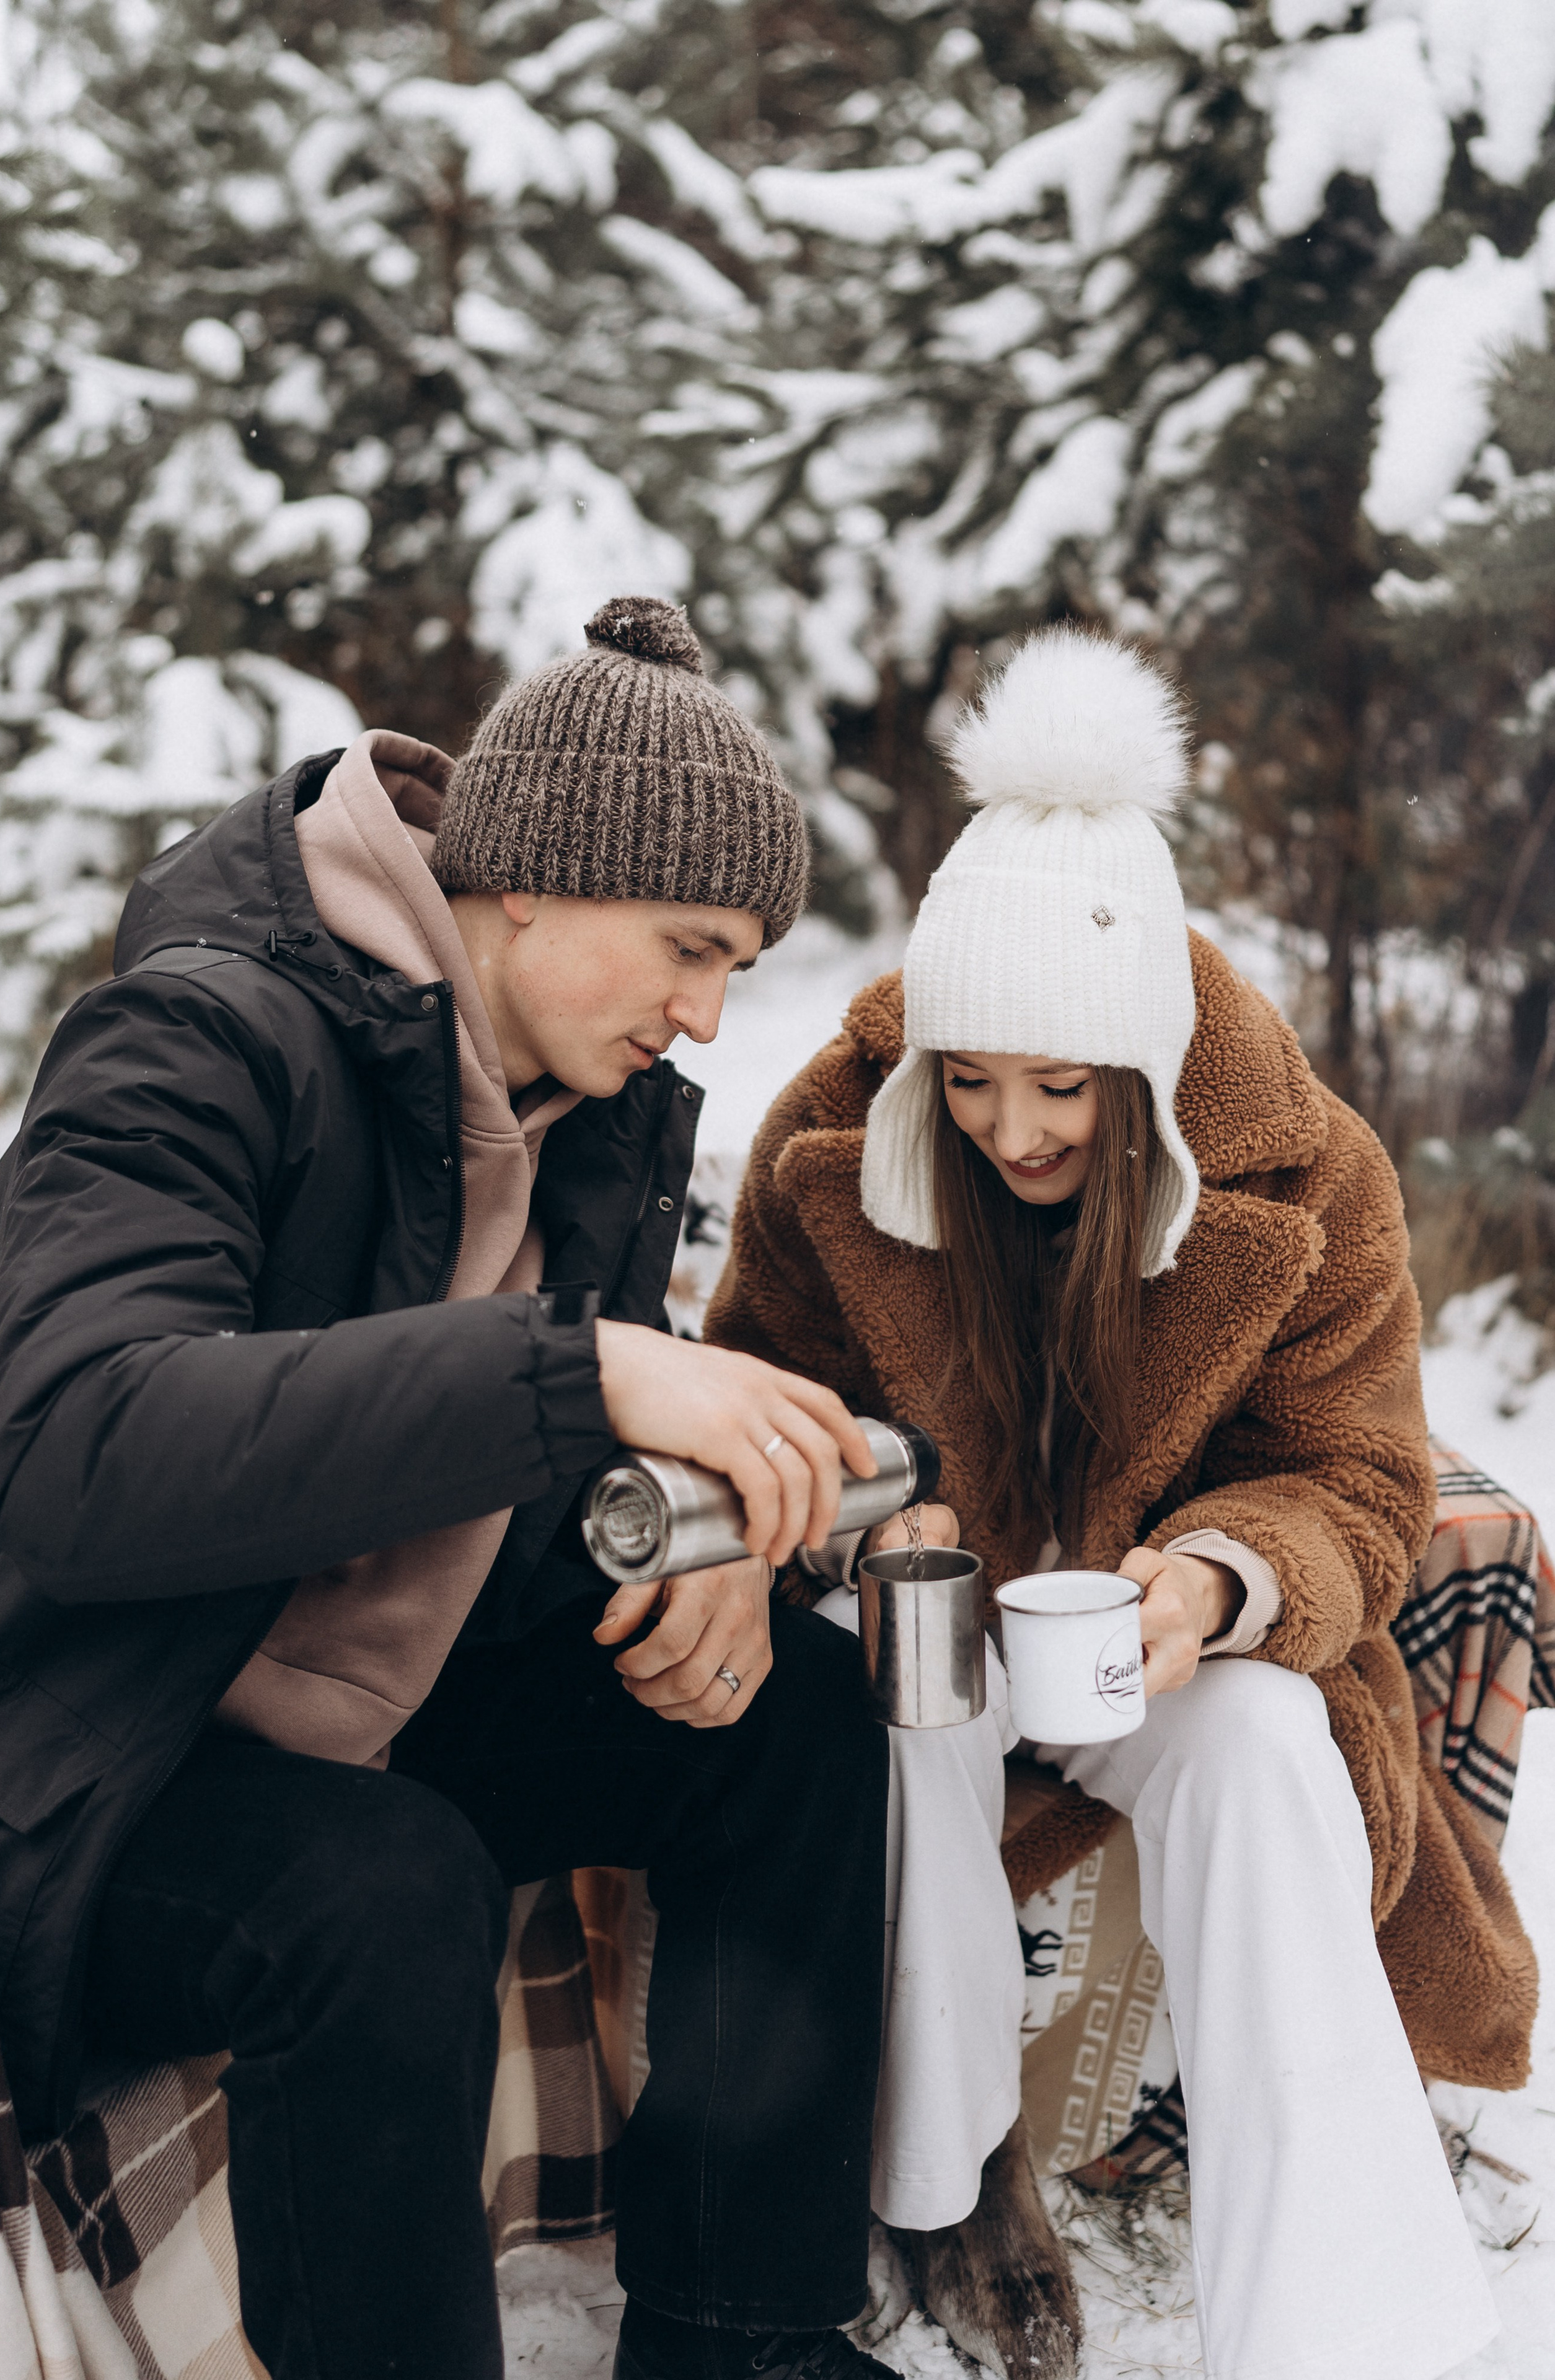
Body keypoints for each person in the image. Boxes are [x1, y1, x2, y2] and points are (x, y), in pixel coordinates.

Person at [0, 597, 905, 2380]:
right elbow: (79, 1458)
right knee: (388, 1884)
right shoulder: (193, 1038)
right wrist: (584, 1375)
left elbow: (518, 1483)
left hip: (374, 1702)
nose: (710, 1017)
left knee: (790, 1728)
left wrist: (690, 1550)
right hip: (88, 1746)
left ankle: (743, 2340)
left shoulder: (594, 1108)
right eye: (689, 947)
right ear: (529, 883)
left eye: (740, 967)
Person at [706, 627, 1533, 2380]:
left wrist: (1227, 1584)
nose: (1011, 1131)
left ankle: (1338, 2325)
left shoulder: (1308, 1178)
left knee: (1261, 1749)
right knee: (907, 1688)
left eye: (1064, 1088)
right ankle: (953, 2180)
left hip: (1148, 1643)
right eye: (973, 1080)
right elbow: (755, 1401)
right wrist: (862, 1521)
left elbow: (1365, 1483)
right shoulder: (833, 1138)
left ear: (1148, 1069)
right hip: (928, 1614)